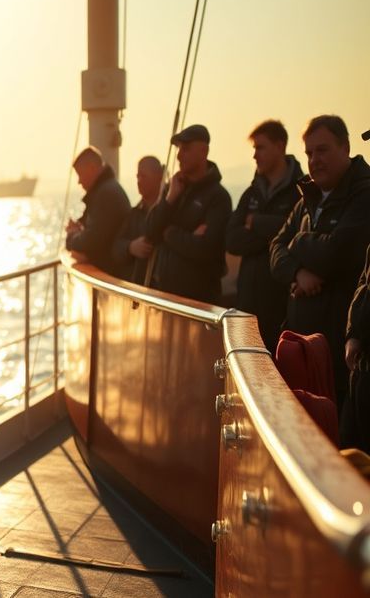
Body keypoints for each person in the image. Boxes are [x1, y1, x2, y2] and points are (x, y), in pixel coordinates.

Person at [270, 115, 370, 448]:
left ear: (346, 147)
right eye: (309, 153)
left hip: (341, 357)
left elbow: (339, 252)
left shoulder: (363, 194)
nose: (315, 160)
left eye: (323, 150)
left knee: (341, 452)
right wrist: (297, 273)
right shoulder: (307, 199)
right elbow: (275, 248)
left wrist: (299, 242)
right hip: (305, 353)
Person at [226, 120, 304, 351]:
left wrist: (256, 223)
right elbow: (231, 240)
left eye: (260, 147)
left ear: (280, 146)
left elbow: (299, 234)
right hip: (247, 309)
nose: (254, 155)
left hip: (282, 311)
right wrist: (275, 235)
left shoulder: (301, 192)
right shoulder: (251, 193)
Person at [145, 124, 233, 303]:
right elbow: (150, 232)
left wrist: (169, 233)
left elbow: (206, 248)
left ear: (203, 151)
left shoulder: (218, 197)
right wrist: (170, 199)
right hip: (165, 297)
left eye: (185, 149)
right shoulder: (173, 189)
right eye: (178, 149)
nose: (178, 155)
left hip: (199, 302)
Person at [65, 146, 131, 277]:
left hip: (113, 275)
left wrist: (71, 236)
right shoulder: (106, 190)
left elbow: (92, 241)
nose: (79, 181)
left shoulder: (105, 194)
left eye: (80, 174)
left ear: (91, 168)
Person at [111, 155, 163, 283]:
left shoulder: (169, 211)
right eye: (137, 176)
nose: (139, 181)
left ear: (159, 177)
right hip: (138, 284)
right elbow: (116, 248)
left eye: (144, 176)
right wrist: (130, 247)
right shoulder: (134, 214)